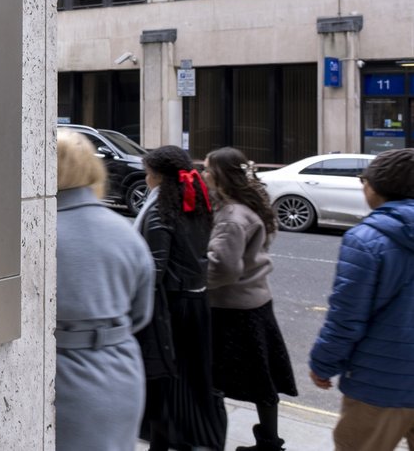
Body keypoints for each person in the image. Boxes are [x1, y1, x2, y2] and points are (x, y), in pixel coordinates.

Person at [54, 130, 155, 451]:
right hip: (122, 371)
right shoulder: (124, 231)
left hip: (64, 377)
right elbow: (141, 313)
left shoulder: (38, 235)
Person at [309, 147, 414, 451]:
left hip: (379, 389)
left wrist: (322, 364)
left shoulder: (366, 240)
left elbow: (347, 317)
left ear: (377, 188)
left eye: (363, 181)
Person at [203, 147, 298, 451]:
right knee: (262, 379)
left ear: (220, 175)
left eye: (207, 169)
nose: (203, 174)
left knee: (215, 380)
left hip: (232, 308)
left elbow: (223, 268)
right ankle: (269, 442)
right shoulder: (250, 204)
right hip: (256, 303)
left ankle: (210, 440)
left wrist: (193, 274)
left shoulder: (232, 216)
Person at [134, 145, 226, 451]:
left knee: (166, 380)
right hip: (197, 301)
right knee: (189, 381)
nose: (145, 178)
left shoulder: (162, 209)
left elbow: (154, 267)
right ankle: (182, 441)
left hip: (172, 306)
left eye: (147, 173)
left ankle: (162, 444)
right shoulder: (197, 201)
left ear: (157, 175)